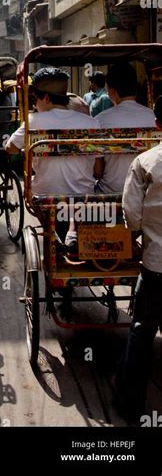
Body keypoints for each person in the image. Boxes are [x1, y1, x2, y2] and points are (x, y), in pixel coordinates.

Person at [115, 96, 162, 424]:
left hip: (157, 265)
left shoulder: (146, 162)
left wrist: (138, 234)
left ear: (157, 125)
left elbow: (131, 214)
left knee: (142, 331)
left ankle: (130, 405)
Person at [6, 68, 97, 198]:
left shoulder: (33, 122)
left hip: (44, 197)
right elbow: (98, 169)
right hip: (84, 196)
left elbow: (10, 148)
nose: (34, 106)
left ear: (46, 98)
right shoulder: (91, 123)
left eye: (35, 100)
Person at [94, 63, 155, 193]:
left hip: (111, 191)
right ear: (136, 87)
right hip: (147, 190)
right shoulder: (153, 117)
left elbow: (98, 171)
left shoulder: (100, 120)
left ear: (111, 91)